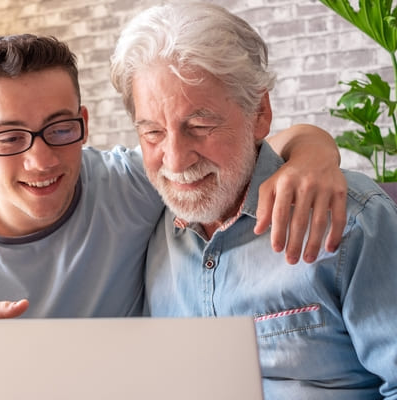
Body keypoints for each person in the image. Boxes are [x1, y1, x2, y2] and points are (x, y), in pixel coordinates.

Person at [0, 33, 347, 399]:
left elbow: (239, 152)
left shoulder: (131, 183)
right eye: (11, 138)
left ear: (82, 122)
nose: (41, 161)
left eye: (59, 129)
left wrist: (313, 155)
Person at [110, 3, 397, 398]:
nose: (175, 160)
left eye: (200, 126)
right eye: (153, 133)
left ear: (260, 112)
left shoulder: (353, 221)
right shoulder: (141, 211)